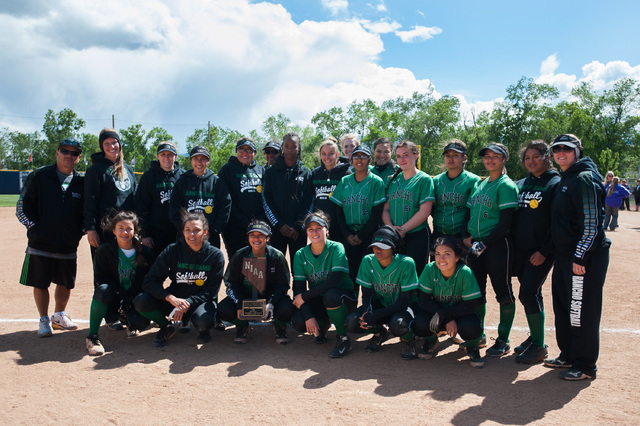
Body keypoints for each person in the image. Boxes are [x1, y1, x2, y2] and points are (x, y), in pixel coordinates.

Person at [546, 133, 610, 381]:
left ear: (577, 151)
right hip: (564, 255)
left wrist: (581, 256)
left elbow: (593, 223)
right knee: (564, 306)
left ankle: (585, 366)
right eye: (556, 149)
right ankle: (569, 355)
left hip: (584, 256)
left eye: (567, 149)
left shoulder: (584, 178)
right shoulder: (568, 177)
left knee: (581, 310)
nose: (561, 153)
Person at [16, 138, 85, 337]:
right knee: (40, 282)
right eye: (65, 151)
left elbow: (86, 212)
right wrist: (36, 229)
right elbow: (22, 207)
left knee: (65, 282)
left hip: (67, 244)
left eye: (74, 153)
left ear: (78, 158)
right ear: (57, 152)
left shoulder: (81, 182)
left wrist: (77, 232)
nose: (69, 156)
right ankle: (43, 319)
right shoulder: (40, 176)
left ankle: (59, 315)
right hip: (40, 242)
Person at [134, 211, 224, 346]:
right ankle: (166, 326)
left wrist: (187, 302)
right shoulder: (172, 250)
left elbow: (211, 291)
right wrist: (170, 298)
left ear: (205, 232)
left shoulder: (215, 255)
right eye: (188, 230)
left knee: (203, 321)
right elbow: (150, 281)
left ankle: (202, 329)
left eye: (196, 230)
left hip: (200, 302)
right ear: (182, 232)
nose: (191, 234)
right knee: (141, 301)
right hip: (175, 300)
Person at [463, 142, 519, 357]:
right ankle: (478, 335)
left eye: (496, 156)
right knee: (477, 292)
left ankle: (503, 340)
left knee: (503, 293)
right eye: (487, 156)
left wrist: (482, 243)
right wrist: (464, 238)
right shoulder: (480, 183)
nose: (490, 160)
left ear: (504, 159)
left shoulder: (506, 185)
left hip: (496, 246)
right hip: (475, 245)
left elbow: (505, 223)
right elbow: (468, 214)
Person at [511, 140, 561, 364]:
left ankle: (540, 347)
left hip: (540, 251)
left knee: (527, 294)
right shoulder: (523, 183)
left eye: (536, 156)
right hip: (520, 249)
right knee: (533, 294)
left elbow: (557, 223)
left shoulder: (555, 183)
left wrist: (544, 250)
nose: (530, 161)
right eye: (527, 158)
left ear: (547, 157)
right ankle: (535, 337)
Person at [345, 226, 420, 360]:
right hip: (382, 304)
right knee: (352, 322)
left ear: (393, 247)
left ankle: (409, 339)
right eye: (375, 246)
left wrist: (376, 315)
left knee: (398, 324)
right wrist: (367, 313)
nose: (378, 250)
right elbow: (366, 293)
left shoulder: (406, 263)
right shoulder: (368, 260)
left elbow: (404, 301)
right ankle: (380, 332)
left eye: (383, 246)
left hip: (405, 307)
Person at [85, 211, 154, 355]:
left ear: (135, 231)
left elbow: (147, 280)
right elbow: (100, 278)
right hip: (114, 296)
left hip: (133, 298)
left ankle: (129, 321)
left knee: (141, 322)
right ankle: (92, 337)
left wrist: (130, 299)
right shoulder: (104, 250)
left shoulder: (144, 252)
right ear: (114, 230)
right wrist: (120, 295)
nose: (125, 232)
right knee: (102, 290)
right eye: (120, 228)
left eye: (129, 228)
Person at [291, 212, 357, 358]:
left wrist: (304, 296)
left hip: (343, 298)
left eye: (319, 227)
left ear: (327, 229)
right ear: (306, 232)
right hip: (319, 298)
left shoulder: (336, 247)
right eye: (310, 229)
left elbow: (334, 281)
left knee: (331, 295)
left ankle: (343, 338)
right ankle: (323, 324)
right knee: (299, 322)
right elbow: (300, 288)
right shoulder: (300, 254)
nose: (314, 232)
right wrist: (309, 316)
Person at [412, 236, 484, 368]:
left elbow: (470, 307)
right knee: (419, 324)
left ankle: (472, 347)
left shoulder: (464, 272)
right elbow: (424, 300)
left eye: (447, 254)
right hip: (437, 311)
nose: (441, 259)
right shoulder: (430, 269)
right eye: (438, 254)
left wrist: (446, 315)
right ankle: (431, 341)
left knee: (472, 327)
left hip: (461, 313)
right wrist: (445, 316)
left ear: (457, 257)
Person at [218, 221, 294, 344]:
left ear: (267, 237)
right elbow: (230, 282)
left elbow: (283, 285)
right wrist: (239, 304)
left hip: (269, 296)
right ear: (248, 238)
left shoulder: (277, 256)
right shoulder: (240, 255)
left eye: (261, 235)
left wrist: (271, 303)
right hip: (245, 297)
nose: (256, 238)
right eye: (252, 235)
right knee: (223, 309)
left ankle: (279, 326)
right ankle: (242, 325)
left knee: (287, 308)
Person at [330, 145, 386, 286]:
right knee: (351, 274)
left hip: (369, 235)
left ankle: (369, 305)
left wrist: (361, 235)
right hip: (348, 233)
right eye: (356, 156)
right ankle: (352, 304)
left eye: (363, 156)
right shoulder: (344, 181)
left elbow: (377, 213)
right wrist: (347, 234)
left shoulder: (377, 182)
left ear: (370, 160)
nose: (359, 159)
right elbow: (338, 211)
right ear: (351, 159)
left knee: (370, 273)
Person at [383, 140, 434, 275]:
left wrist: (403, 229)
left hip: (417, 234)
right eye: (399, 156)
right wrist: (391, 229)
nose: (402, 159)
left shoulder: (424, 179)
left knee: (416, 275)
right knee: (395, 274)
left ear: (416, 155)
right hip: (394, 235)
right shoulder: (392, 179)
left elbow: (425, 211)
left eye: (406, 155)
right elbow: (385, 209)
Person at [262, 132, 314, 267]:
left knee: (299, 269)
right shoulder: (271, 172)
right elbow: (266, 200)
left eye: (294, 146)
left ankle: (299, 290)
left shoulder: (306, 172)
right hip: (277, 229)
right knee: (275, 267)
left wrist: (299, 226)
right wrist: (279, 225)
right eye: (287, 146)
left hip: (298, 232)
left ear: (299, 148)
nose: (290, 150)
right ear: (282, 147)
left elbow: (309, 202)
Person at [85, 128, 136, 258]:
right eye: (106, 143)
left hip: (126, 230)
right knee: (105, 269)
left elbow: (134, 197)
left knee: (126, 269)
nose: (111, 146)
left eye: (114, 142)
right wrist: (90, 229)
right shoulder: (95, 170)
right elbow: (89, 200)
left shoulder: (128, 169)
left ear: (119, 144)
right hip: (104, 230)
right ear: (102, 146)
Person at [170, 145, 231, 249]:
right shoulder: (182, 182)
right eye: (196, 159)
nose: (199, 162)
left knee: (210, 265)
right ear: (191, 160)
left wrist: (214, 230)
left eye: (203, 159)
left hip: (210, 237)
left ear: (208, 161)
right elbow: (174, 209)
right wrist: (185, 230)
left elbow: (225, 207)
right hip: (186, 237)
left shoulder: (217, 182)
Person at [218, 137, 266, 259]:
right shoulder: (227, 169)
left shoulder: (261, 170)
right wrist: (244, 222)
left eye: (249, 150)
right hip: (234, 227)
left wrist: (258, 221)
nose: (245, 153)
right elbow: (225, 200)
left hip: (258, 227)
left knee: (258, 262)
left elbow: (267, 198)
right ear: (236, 151)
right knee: (237, 262)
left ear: (254, 153)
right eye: (242, 149)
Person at [135, 141, 184, 258]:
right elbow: (141, 206)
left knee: (179, 271)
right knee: (155, 271)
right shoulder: (148, 176)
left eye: (170, 154)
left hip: (179, 233)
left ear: (175, 156)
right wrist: (145, 234)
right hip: (155, 234)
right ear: (158, 156)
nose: (166, 157)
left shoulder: (183, 176)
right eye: (163, 154)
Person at [431, 139, 480, 249]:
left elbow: (474, 211)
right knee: (439, 264)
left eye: (455, 155)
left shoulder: (473, 180)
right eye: (448, 155)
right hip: (439, 233)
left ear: (464, 158)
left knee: (462, 266)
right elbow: (432, 209)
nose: (451, 158)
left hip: (462, 235)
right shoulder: (436, 181)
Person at [311, 137, 350, 244]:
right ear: (320, 155)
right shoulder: (315, 174)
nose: (327, 157)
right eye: (324, 154)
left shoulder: (346, 174)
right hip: (320, 227)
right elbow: (312, 200)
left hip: (341, 228)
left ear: (337, 154)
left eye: (331, 153)